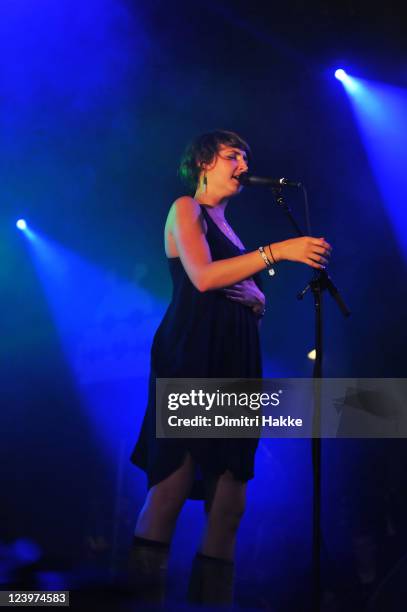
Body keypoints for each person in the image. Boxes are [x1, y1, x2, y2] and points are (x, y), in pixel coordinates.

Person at [128, 130, 331, 605]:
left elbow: (236, 290)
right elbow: (201, 277)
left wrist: (258, 303)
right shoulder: (186, 209)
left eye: (245, 157)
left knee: (230, 498)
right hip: (192, 355)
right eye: (232, 155)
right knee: (173, 484)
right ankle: (136, 600)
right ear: (204, 162)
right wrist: (277, 251)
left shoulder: (233, 231)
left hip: (235, 359)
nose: (243, 164)